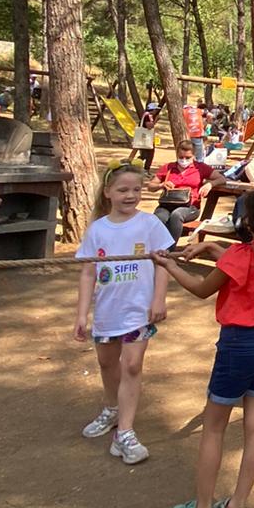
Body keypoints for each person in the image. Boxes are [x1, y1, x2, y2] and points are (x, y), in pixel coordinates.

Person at [154, 184, 254, 508]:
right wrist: (210, 246)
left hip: (238, 346)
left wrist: (166, 264)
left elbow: (201, 288)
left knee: (214, 427)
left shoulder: (240, 257)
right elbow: (250, 262)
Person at [74, 163, 172, 465]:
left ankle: (125, 433)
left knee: (131, 366)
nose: (131, 196)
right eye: (123, 190)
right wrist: (81, 314)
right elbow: (88, 273)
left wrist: (158, 299)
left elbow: (162, 265)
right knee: (107, 363)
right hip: (107, 312)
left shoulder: (150, 224)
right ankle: (112, 408)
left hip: (137, 312)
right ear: (108, 193)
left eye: (136, 190)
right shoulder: (97, 229)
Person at [145, 139, 215, 242]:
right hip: (167, 204)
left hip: (190, 206)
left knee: (176, 215)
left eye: (188, 157)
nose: (184, 160)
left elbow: (221, 179)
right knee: (159, 217)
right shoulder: (168, 167)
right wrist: (161, 185)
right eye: (181, 157)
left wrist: (210, 184)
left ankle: (169, 250)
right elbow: (150, 186)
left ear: (194, 155)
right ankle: (154, 246)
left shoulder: (200, 168)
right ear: (177, 154)